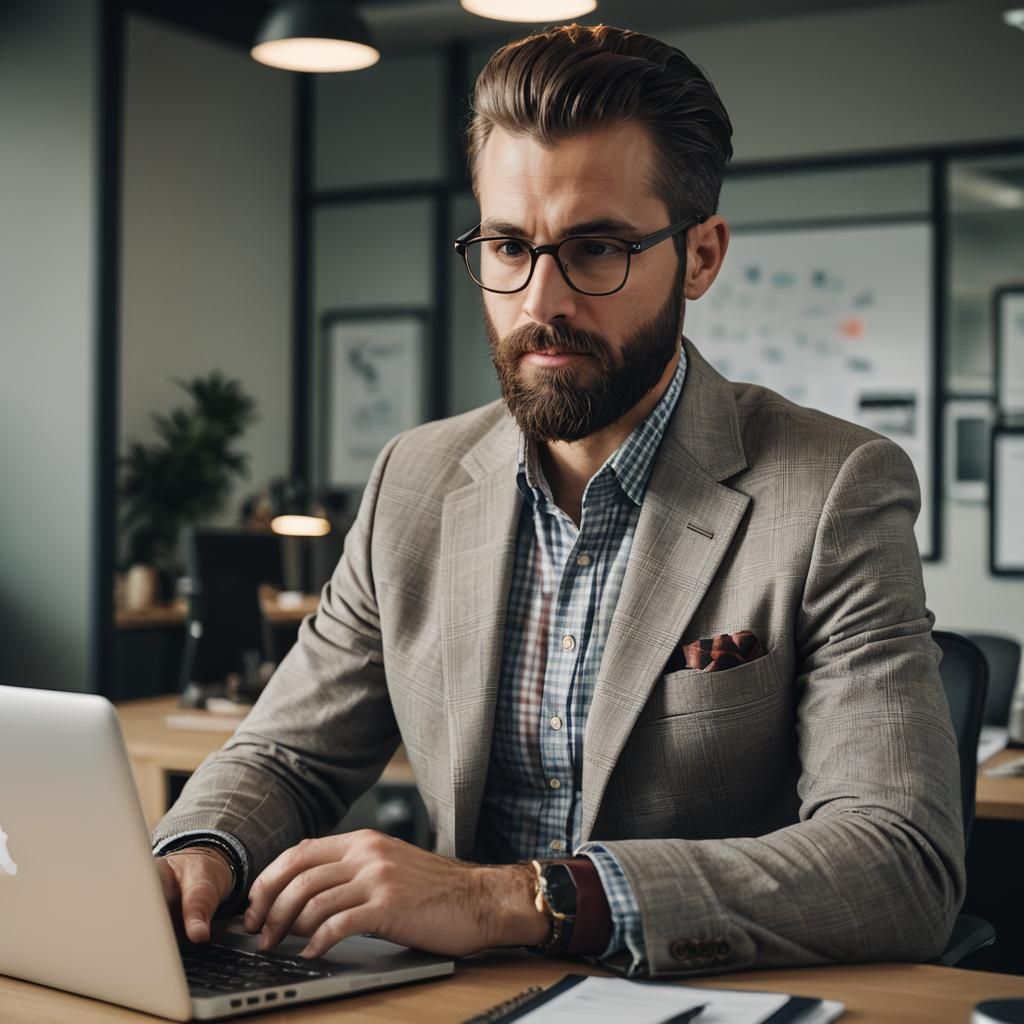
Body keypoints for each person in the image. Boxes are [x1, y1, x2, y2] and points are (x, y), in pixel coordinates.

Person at [154, 23, 964, 978]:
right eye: (508, 246)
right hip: (452, 1001)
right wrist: (198, 853)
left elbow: (899, 862)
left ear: (700, 256)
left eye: (597, 248)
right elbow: (289, 755)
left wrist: (513, 899)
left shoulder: (834, 488)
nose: (541, 302)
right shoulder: (414, 479)